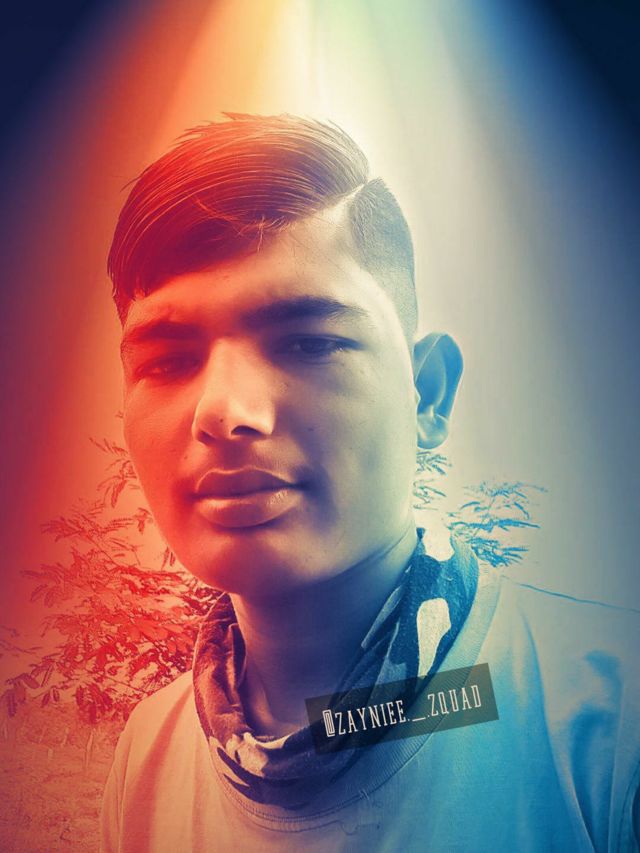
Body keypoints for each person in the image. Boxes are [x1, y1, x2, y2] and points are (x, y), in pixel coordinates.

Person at [100, 113, 639, 852]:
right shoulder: (147, 756)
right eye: (167, 360)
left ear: (428, 393)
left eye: (308, 342)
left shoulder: (610, 721)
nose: (224, 411)